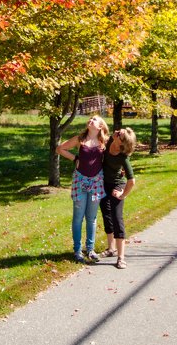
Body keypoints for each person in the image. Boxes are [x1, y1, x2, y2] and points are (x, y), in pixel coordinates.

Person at [57, 115, 109, 263]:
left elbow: (113, 157)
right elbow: (60, 149)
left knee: (91, 218)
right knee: (78, 218)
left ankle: (90, 250)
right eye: (90, 119)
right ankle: (77, 250)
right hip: (80, 182)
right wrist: (75, 159)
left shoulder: (103, 141)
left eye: (94, 120)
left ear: (99, 126)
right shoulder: (80, 139)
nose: (91, 120)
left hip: (96, 183)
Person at [99, 127, 136, 269]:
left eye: (120, 134)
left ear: (122, 142)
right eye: (119, 131)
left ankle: (121, 258)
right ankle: (111, 249)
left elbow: (131, 180)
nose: (117, 132)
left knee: (117, 218)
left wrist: (122, 194)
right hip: (104, 184)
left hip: (117, 186)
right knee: (106, 215)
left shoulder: (123, 157)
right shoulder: (109, 142)